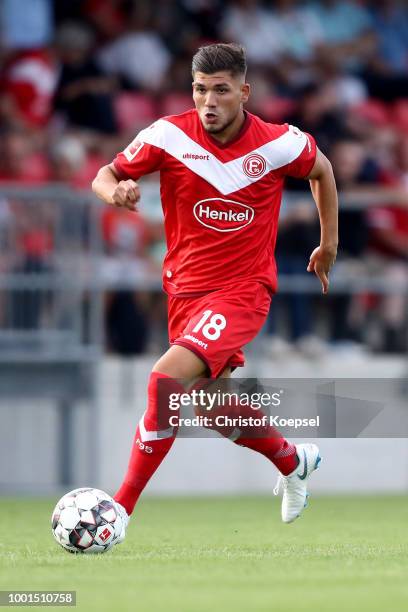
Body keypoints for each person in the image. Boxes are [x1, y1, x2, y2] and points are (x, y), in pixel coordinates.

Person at [92, 43, 338, 545]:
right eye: (201, 89)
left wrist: (328, 241)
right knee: (208, 407)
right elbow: (106, 174)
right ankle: (294, 462)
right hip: (184, 292)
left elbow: (323, 171)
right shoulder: (166, 135)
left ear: (244, 92)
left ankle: (119, 510)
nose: (209, 101)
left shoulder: (277, 143)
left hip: (243, 291)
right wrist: (113, 192)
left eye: (222, 90)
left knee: (164, 381)